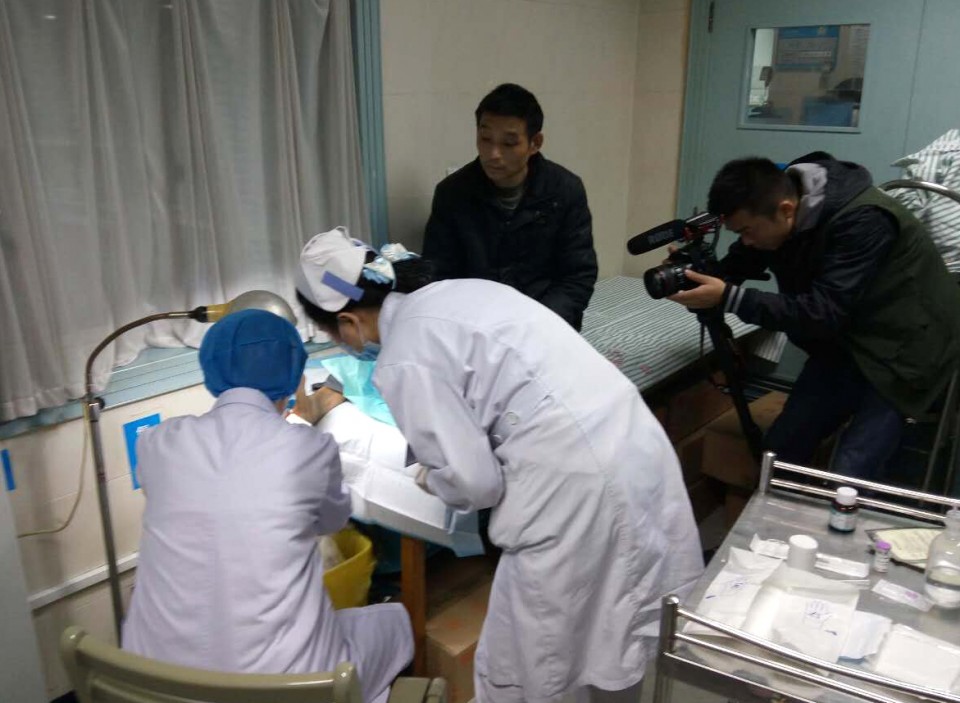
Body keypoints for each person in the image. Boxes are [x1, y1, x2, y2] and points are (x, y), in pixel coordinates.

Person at [295, 228, 703, 703]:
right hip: (634, 442)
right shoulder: (463, 291)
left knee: (530, 660)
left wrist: (434, 475)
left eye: (333, 337)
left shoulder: (404, 355)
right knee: (620, 622)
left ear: (347, 321)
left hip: (571, 486)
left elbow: (475, 487)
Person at [122, 309, 413, 703]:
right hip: (286, 688)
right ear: (295, 377)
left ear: (212, 370)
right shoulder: (307, 448)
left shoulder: (158, 441)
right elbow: (333, 520)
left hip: (151, 684)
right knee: (394, 622)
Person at [667, 152, 960, 480]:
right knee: (780, 451)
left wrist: (727, 296)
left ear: (786, 210)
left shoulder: (864, 221)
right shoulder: (779, 208)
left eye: (747, 231)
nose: (746, 241)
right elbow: (738, 265)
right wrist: (693, 275)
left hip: (906, 350)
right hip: (845, 342)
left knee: (850, 471)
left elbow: (822, 313)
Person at [422, 83, 598, 331]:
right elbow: (439, 275)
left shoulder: (564, 191)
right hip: (475, 327)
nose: (493, 153)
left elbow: (577, 277)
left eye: (509, 143)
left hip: (545, 326)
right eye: (485, 139)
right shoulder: (452, 193)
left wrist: (532, 326)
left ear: (535, 143)